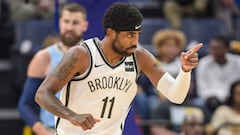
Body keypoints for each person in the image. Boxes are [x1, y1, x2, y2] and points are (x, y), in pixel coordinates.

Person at [35, 2, 202, 135]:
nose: (135, 42)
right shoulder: (81, 55)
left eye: (137, 35)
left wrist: (185, 71)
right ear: (111, 33)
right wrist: (72, 116)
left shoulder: (140, 57)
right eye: (129, 35)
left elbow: (176, 96)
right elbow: (43, 94)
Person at [18, 3, 88, 135]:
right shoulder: (44, 57)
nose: (70, 27)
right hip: (53, 129)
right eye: (66, 21)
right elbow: (25, 104)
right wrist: (43, 132)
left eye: (75, 23)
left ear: (85, 25)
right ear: (60, 22)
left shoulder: (94, 56)